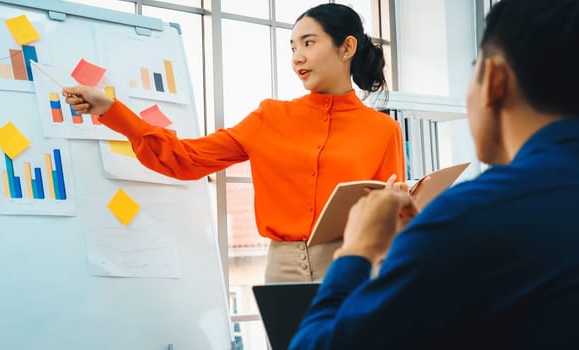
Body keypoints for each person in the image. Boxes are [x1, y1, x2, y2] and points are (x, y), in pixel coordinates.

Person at [289, 0, 579, 348]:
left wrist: (356, 251)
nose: (298, 57)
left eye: (474, 69)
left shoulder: (472, 215)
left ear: (494, 79)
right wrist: (425, 246)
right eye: (294, 47)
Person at [64, 4, 405, 283]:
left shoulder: (382, 130)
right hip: (282, 271)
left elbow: (393, 219)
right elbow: (185, 158)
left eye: (309, 43)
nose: (297, 57)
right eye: (292, 47)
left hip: (354, 267)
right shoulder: (269, 117)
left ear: (346, 47)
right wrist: (111, 110)